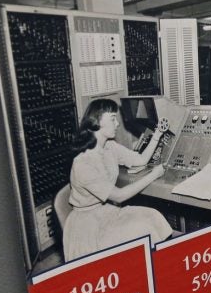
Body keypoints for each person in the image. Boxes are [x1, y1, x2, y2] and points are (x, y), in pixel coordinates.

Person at [63, 98, 172, 262]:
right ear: (98, 122)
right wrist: (153, 175)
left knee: (154, 216)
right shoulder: (83, 163)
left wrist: (157, 134)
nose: (117, 124)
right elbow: (119, 196)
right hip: (88, 226)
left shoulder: (109, 147)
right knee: (143, 229)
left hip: (106, 211)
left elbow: (141, 160)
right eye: (113, 119)